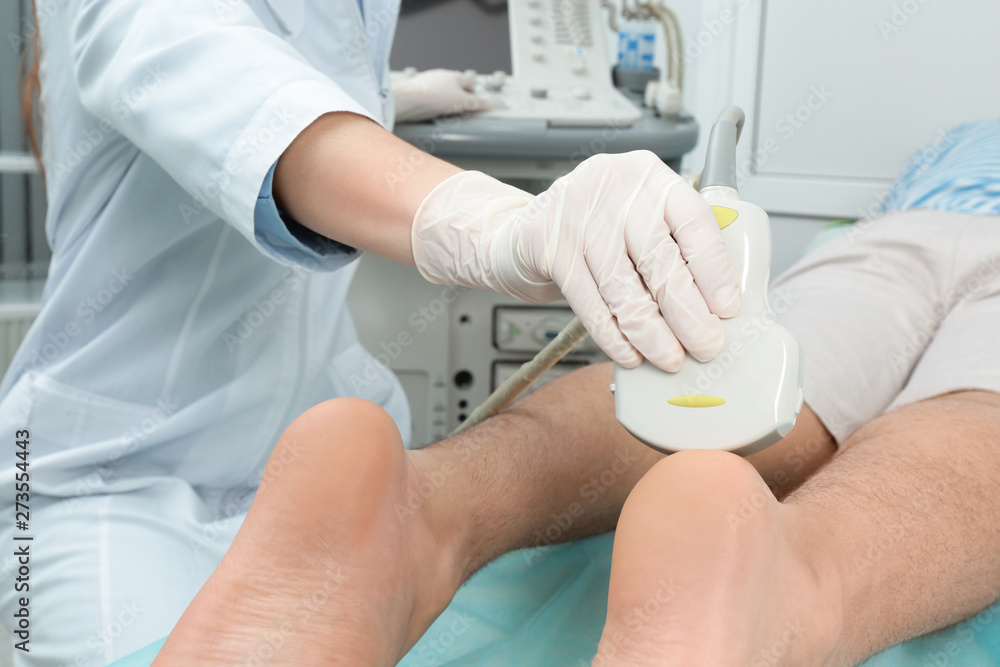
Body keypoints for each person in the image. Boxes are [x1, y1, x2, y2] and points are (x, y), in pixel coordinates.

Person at [0, 1, 742, 664]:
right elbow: (240, 98)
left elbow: (295, 75)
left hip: (318, 460)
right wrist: (507, 225)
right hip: (111, 482)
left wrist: (385, 102)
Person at [149, 121, 1000, 665]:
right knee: (928, 406)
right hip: (899, 230)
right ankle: (791, 586)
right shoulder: (950, 143)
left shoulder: (945, 155)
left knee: (738, 371)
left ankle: (428, 507)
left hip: (893, 239)